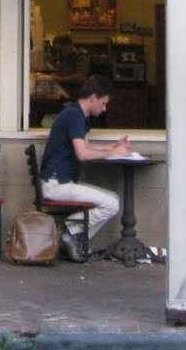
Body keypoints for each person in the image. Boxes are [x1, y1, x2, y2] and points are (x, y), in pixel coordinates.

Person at [37, 75, 134, 261]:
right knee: (112, 204)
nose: (104, 109)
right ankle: (69, 232)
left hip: (59, 181)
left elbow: (86, 146)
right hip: (57, 184)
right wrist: (113, 153)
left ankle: (75, 239)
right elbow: (83, 154)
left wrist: (112, 147)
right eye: (104, 103)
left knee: (113, 199)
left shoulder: (75, 113)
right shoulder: (75, 116)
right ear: (93, 98)